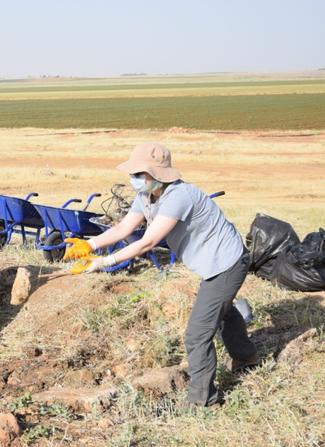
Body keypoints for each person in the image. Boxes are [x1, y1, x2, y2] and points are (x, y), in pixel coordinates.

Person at [64, 142, 262, 408]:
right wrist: (90, 245)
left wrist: (103, 262)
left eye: (138, 174)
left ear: (156, 174)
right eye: (132, 174)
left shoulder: (178, 196)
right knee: (223, 311)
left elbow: (147, 242)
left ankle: (203, 401)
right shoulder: (147, 195)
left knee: (197, 333)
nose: (133, 179)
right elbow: (124, 227)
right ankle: (246, 358)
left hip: (227, 262)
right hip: (213, 262)